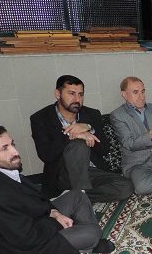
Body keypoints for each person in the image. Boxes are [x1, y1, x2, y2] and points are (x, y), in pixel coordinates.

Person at [0, 125, 114, 254]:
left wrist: (54, 212)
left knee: (77, 195)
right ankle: (85, 242)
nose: (15, 151)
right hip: (29, 250)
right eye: (5, 148)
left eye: (12, 144)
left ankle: (82, 241)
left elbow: (36, 199)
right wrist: (56, 221)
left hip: (34, 220)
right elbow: (27, 239)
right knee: (93, 232)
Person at [30, 75, 133, 203]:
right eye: (71, 93)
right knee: (79, 144)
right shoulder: (40, 118)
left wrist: (89, 128)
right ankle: (80, 197)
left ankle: (74, 196)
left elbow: (104, 149)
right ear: (58, 94)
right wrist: (72, 134)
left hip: (91, 171)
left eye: (80, 94)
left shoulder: (92, 114)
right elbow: (46, 155)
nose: (77, 99)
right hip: (63, 174)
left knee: (125, 187)